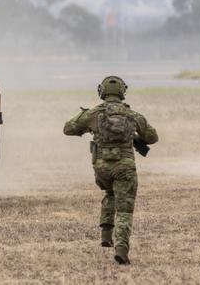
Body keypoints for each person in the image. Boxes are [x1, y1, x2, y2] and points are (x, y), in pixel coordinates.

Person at [63, 76, 158, 265]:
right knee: (124, 210)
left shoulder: (93, 113)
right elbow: (153, 137)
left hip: (101, 168)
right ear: (123, 92)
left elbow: (68, 128)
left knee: (109, 193)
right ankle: (121, 249)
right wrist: (135, 134)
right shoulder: (133, 115)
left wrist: (90, 129)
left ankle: (106, 234)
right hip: (125, 168)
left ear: (102, 92)